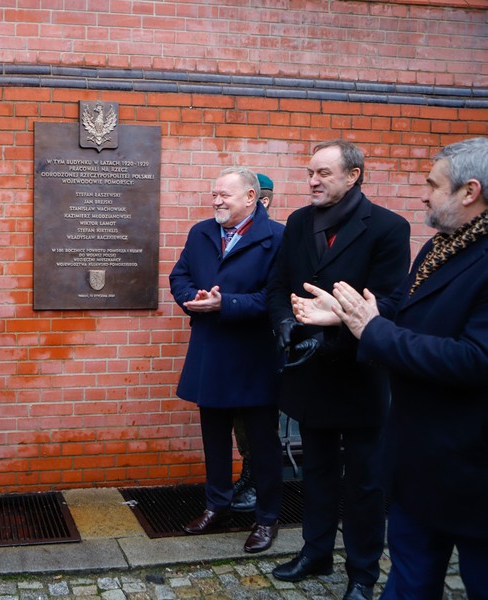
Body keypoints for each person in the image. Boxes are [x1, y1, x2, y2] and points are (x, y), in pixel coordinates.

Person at [292, 137, 488, 599]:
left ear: (469, 191)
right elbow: (403, 312)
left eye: (431, 184)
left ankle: (361, 572)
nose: (422, 193)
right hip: (421, 464)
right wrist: (345, 317)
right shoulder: (440, 249)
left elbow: (474, 359)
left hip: (471, 472)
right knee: (409, 581)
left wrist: (369, 328)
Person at [266, 140, 410, 600]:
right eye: (310, 172)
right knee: (318, 472)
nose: (312, 181)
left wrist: (337, 324)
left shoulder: (388, 227)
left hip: (359, 377)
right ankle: (315, 552)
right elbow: (277, 286)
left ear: (353, 176)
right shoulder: (298, 222)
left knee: (364, 483)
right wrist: (287, 324)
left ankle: (363, 573)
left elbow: (389, 302)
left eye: (323, 173)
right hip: (309, 375)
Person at [170, 167, 285, 554]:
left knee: (261, 444)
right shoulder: (201, 232)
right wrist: (193, 297)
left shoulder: (278, 237)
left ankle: (267, 519)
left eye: (225, 195)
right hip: (212, 351)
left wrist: (228, 303)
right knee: (214, 438)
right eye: (214, 194)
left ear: (251, 198)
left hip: (255, 355)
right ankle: (216, 506)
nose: (216, 201)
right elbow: (179, 275)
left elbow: (277, 298)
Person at [228, 171, 277, 514]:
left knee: (260, 424)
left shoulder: (275, 238)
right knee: (239, 419)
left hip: (263, 346)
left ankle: (261, 485)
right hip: (234, 345)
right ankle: (249, 474)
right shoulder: (230, 235)